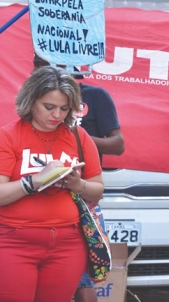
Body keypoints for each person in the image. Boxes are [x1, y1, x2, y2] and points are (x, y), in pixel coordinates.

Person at [0, 66, 104, 301]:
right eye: (49, 107)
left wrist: (77, 184)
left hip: (68, 244)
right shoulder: (8, 136)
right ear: (31, 100)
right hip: (14, 242)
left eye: (64, 109)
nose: (57, 115)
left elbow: (98, 188)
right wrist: (35, 181)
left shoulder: (79, 136)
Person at [33, 54, 125, 302]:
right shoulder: (34, 102)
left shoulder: (95, 96)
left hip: (79, 201)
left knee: (83, 283)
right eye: (37, 63)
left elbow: (118, 145)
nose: (56, 113)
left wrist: (74, 133)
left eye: (63, 109)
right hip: (38, 207)